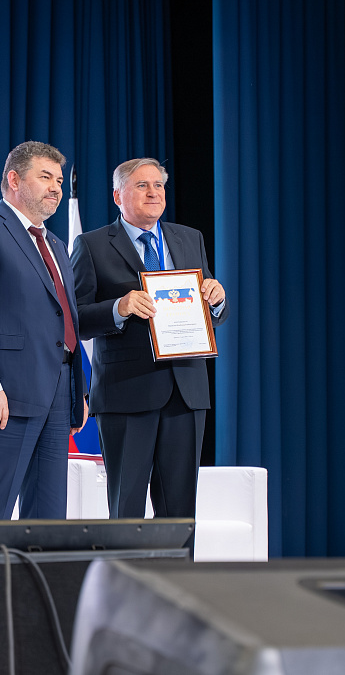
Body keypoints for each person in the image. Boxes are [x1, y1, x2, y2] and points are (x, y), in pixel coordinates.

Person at [70, 158, 228, 519]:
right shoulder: (92, 245)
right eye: (142, 185)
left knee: (180, 513)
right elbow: (75, 320)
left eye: (159, 185)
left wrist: (217, 300)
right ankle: (127, 562)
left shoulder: (190, 238)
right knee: (126, 511)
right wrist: (119, 307)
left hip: (186, 392)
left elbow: (210, 309)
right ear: (118, 196)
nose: (153, 193)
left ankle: (175, 562)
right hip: (126, 393)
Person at [0, 141, 85, 520]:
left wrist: (76, 388)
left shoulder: (56, 244)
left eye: (59, 180)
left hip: (56, 393)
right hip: (5, 394)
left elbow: (62, 320)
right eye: (45, 177)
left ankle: (33, 566)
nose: (55, 187)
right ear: (14, 179)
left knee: (47, 518)